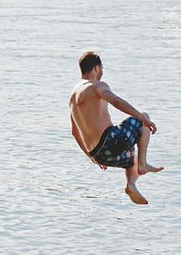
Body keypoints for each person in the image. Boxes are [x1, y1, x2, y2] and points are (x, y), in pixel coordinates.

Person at [69, 52, 164, 205]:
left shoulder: (73, 97)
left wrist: (91, 157)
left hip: (98, 154)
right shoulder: (97, 85)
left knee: (131, 156)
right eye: (101, 68)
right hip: (110, 141)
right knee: (143, 118)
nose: (102, 72)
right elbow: (115, 100)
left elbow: (75, 132)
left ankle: (131, 185)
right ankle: (143, 163)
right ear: (96, 68)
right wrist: (142, 118)